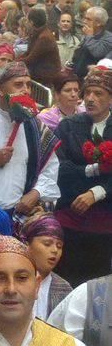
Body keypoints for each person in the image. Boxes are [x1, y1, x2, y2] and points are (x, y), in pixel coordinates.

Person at [0, 62, 60, 216]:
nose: (25, 90)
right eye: (18, 84)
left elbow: (50, 168)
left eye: (28, 85)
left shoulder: (36, 126)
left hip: (19, 215)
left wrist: (36, 192)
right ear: (0, 89)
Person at [54, 66, 112, 284]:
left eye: (98, 93)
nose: (90, 98)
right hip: (70, 216)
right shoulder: (68, 126)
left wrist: (97, 192)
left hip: (105, 224)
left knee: (96, 287)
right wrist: (95, 170)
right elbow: (59, 169)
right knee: (66, 281)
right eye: (87, 92)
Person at [19, 214, 71, 319]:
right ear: (27, 245)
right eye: (47, 244)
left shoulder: (65, 289)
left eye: (59, 246)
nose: (55, 250)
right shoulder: (9, 281)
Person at [23, 8, 61, 88]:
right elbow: (27, 53)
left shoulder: (45, 37)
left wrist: (12, 64)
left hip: (47, 81)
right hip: (39, 78)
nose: (25, 23)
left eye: (27, 20)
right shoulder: (35, 34)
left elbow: (31, 59)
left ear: (31, 22)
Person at [71, 6, 112, 79]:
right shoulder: (87, 35)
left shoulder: (108, 38)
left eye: (88, 19)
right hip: (76, 77)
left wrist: (89, 36)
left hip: (93, 81)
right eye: (85, 18)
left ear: (99, 23)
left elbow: (98, 52)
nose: (84, 21)